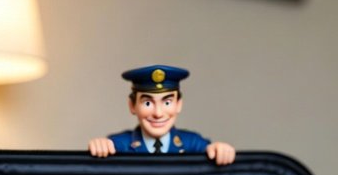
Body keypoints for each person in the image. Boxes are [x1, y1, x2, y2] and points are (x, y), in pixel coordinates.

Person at [87, 65, 236, 164]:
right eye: (147, 103)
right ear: (132, 106)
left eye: (167, 102)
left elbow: (211, 152)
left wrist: (218, 149)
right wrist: (101, 147)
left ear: (179, 104)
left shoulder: (192, 143)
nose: (158, 113)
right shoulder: (120, 145)